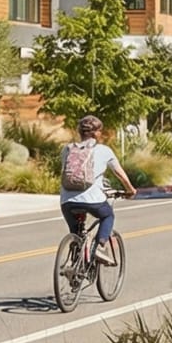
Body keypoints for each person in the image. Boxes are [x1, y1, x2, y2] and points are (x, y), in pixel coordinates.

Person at [60, 113, 136, 264]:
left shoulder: (67, 149)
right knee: (107, 216)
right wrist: (131, 190)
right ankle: (99, 247)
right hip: (92, 200)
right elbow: (120, 175)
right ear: (97, 133)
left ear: (80, 132)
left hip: (67, 200)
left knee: (76, 232)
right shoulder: (104, 150)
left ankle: (74, 267)